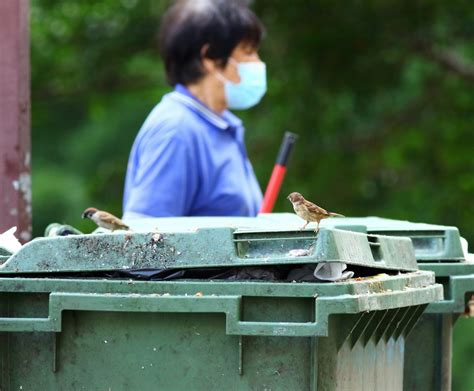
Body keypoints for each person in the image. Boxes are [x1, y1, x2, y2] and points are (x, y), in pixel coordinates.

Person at [123, 0, 266, 219]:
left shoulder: (221, 125)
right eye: (248, 53)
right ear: (209, 58)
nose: (257, 63)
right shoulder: (176, 131)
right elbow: (145, 242)